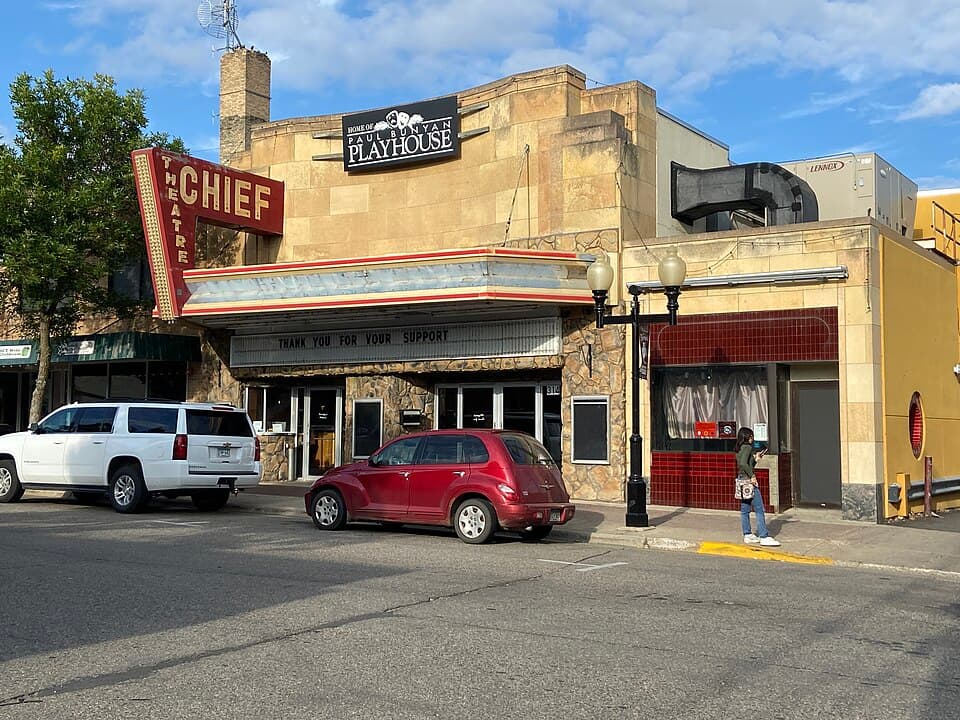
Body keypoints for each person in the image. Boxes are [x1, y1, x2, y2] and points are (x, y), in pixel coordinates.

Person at [735, 427, 780, 546]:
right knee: (759, 509)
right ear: (746, 437)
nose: (752, 438)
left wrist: (756, 459)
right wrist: (752, 476)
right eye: (750, 436)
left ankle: (747, 534)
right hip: (748, 480)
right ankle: (763, 535)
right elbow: (743, 464)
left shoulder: (740, 448)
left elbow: (746, 463)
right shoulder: (747, 447)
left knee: (745, 509)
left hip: (741, 479)